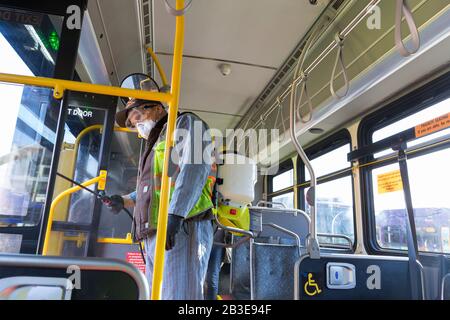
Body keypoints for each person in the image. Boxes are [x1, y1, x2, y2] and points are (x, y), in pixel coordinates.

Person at [104, 78, 216, 300]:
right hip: (155, 230)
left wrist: (175, 215)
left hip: (183, 225)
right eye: (133, 125)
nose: (137, 127)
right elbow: (155, 190)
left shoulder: (185, 124)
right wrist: (123, 200)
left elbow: (194, 169)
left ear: (155, 108)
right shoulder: (156, 142)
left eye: (136, 117)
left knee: (180, 296)